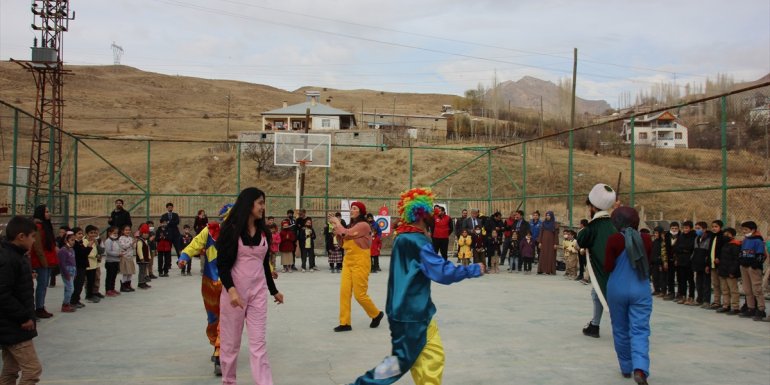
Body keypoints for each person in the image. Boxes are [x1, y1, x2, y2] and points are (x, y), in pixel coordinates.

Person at [347, 188, 484, 385]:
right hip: (412, 314)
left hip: (411, 311)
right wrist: (472, 269)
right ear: (421, 213)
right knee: (399, 363)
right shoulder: (418, 241)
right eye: (430, 211)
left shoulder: (402, 238)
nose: (433, 215)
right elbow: (442, 272)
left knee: (431, 356)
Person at [216, 187, 283, 385]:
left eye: (263, 203)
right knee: (230, 344)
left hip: (258, 294)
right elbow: (222, 265)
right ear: (248, 204)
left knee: (258, 343)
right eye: (260, 203)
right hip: (234, 296)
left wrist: (273, 290)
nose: (263, 207)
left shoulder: (264, 233)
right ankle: (229, 381)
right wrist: (231, 290)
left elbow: (264, 264)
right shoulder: (230, 230)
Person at [177, 203, 234, 376]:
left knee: (226, 318)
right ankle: (216, 344)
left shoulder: (240, 235)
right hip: (210, 282)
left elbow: (253, 257)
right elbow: (194, 244)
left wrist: (268, 270)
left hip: (230, 284)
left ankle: (219, 353)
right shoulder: (209, 231)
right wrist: (184, 256)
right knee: (213, 319)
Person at [604, 207, 653, 385]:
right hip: (640, 287)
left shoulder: (614, 239)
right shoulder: (646, 239)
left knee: (620, 328)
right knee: (640, 329)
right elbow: (647, 261)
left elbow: (608, 266)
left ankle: (626, 367)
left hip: (617, 287)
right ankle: (640, 368)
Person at [328, 201, 384, 332]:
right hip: (348, 261)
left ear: (361, 212)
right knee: (344, 292)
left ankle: (376, 314)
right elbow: (342, 242)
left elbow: (347, 233)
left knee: (360, 295)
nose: (351, 210)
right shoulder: (350, 226)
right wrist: (336, 228)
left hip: (361, 262)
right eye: (351, 208)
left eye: (354, 208)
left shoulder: (364, 225)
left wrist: (337, 222)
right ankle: (345, 323)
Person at [0, 216, 43, 385]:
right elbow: (2, 293)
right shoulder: (8, 259)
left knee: (10, 369)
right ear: (21, 237)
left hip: (12, 325)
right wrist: (23, 317)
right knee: (33, 370)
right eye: (32, 237)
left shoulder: (17, 256)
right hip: (14, 325)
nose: (34, 241)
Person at [576, 183, 617, 339]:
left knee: (604, 293)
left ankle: (602, 326)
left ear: (593, 207)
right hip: (618, 268)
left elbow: (580, 241)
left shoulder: (593, 227)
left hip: (605, 268)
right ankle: (595, 324)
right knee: (596, 293)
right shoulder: (614, 223)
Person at [29, 204, 57, 319]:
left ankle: (41, 307)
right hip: (41, 261)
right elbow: (38, 247)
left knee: (44, 285)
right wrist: (44, 262)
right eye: (46, 211)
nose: (48, 213)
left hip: (47, 259)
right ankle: (39, 308)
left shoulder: (45, 225)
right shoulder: (38, 227)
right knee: (42, 285)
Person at [737, 221, 766, 321]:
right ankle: (751, 308)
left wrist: (754, 265)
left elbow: (760, 255)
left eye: (746, 230)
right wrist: (741, 262)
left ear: (753, 230)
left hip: (753, 268)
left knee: (756, 289)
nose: (744, 231)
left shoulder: (758, 240)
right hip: (744, 266)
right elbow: (741, 252)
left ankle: (761, 309)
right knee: (747, 289)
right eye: (743, 229)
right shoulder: (745, 240)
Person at [716, 228, 742, 314]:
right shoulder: (725, 244)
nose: (726, 236)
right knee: (724, 289)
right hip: (723, 270)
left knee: (733, 290)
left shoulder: (735, 245)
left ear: (733, 235)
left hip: (731, 272)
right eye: (725, 234)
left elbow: (736, 260)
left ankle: (735, 307)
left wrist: (732, 272)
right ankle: (726, 305)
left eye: (728, 234)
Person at [674, 221, 696, 305]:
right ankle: (683, 296)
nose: (685, 229)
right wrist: (683, 250)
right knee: (681, 280)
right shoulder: (681, 236)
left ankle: (691, 297)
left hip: (689, 261)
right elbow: (676, 247)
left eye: (687, 228)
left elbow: (691, 248)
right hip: (680, 261)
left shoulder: (694, 236)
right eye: (684, 228)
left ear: (690, 228)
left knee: (690, 280)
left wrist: (683, 249)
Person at [70, 227, 92, 309]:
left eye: (81, 233)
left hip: (82, 266)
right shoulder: (75, 244)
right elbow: (81, 254)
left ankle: (77, 299)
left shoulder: (80, 243)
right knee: (77, 284)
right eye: (79, 234)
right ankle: (73, 301)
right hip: (78, 266)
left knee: (80, 283)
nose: (81, 235)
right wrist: (89, 247)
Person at [691, 221, 711, 307]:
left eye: (699, 228)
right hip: (697, 263)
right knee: (698, 282)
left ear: (705, 229)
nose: (697, 230)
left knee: (706, 283)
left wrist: (707, 264)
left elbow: (708, 253)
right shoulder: (696, 238)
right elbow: (695, 251)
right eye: (696, 228)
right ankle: (699, 298)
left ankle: (706, 300)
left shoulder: (709, 239)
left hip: (705, 263)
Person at [707, 220, 726, 309]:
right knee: (715, 284)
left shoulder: (723, 237)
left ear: (720, 227)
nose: (714, 228)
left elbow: (724, 250)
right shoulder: (711, 236)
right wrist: (708, 264)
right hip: (712, 264)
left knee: (723, 285)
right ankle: (716, 301)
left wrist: (720, 258)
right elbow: (709, 251)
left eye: (716, 227)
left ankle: (726, 303)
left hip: (720, 265)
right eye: (713, 226)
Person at [58, 231, 77, 313]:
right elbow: (62, 263)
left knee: (69, 288)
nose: (73, 242)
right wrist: (66, 274)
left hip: (72, 270)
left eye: (74, 240)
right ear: (66, 240)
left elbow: (74, 261)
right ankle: (65, 304)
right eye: (72, 240)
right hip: (67, 271)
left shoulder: (72, 250)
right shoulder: (63, 250)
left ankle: (67, 303)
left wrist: (75, 272)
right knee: (70, 289)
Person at [662, 222, 680, 301]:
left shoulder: (681, 236)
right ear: (670, 229)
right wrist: (665, 261)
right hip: (669, 260)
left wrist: (677, 259)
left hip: (679, 260)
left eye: (676, 228)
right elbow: (664, 249)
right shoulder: (666, 236)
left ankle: (680, 294)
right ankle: (671, 292)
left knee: (680, 277)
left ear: (678, 229)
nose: (674, 230)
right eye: (672, 228)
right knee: (670, 277)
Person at [83, 225, 101, 303]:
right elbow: (87, 253)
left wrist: (98, 255)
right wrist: (95, 256)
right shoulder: (84, 241)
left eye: (94, 233)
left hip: (94, 264)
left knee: (93, 280)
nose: (93, 234)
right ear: (86, 233)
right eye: (91, 233)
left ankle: (92, 294)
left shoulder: (94, 241)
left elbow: (96, 250)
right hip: (88, 264)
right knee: (89, 281)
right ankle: (88, 295)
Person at [537, 211, 558, 275]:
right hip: (544, 242)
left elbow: (556, 235)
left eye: (549, 215)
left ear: (551, 216)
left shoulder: (555, 224)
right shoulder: (543, 223)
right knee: (543, 255)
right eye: (546, 215)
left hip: (551, 242)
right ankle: (542, 270)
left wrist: (555, 243)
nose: (547, 217)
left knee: (550, 256)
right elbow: (541, 233)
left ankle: (549, 270)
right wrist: (540, 242)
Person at [103, 226, 122, 297]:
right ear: (109, 233)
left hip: (116, 261)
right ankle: (108, 290)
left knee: (114, 275)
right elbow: (108, 251)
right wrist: (117, 254)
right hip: (110, 262)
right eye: (114, 233)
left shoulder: (116, 240)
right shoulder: (108, 241)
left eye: (117, 233)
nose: (116, 234)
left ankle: (112, 288)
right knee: (109, 276)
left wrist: (121, 252)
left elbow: (119, 247)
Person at [649, 227, 667, 296]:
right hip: (654, 262)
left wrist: (661, 262)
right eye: (655, 233)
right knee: (655, 277)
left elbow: (662, 253)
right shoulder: (654, 242)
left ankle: (663, 291)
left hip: (660, 262)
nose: (655, 234)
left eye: (657, 233)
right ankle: (656, 290)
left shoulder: (662, 242)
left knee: (661, 278)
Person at [118, 225, 136, 293]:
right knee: (125, 272)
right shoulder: (121, 238)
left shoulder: (131, 238)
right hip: (124, 257)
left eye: (129, 230)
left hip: (130, 257)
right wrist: (132, 243)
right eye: (126, 230)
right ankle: (123, 286)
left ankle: (128, 285)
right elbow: (124, 246)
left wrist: (134, 243)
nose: (127, 231)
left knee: (130, 272)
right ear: (123, 231)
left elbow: (133, 247)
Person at [135, 224, 152, 289]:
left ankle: (144, 282)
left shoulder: (145, 241)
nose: (146, 234)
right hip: (141, 260)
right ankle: (140, 283)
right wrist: (141, 258)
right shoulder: (140, 241)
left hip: (146, 259)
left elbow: (147, 250)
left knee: (144, 271)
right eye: (144, 233)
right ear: (141, 233)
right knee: (141, 271)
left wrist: (149, 257)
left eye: (147, 233)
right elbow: (139, 250)